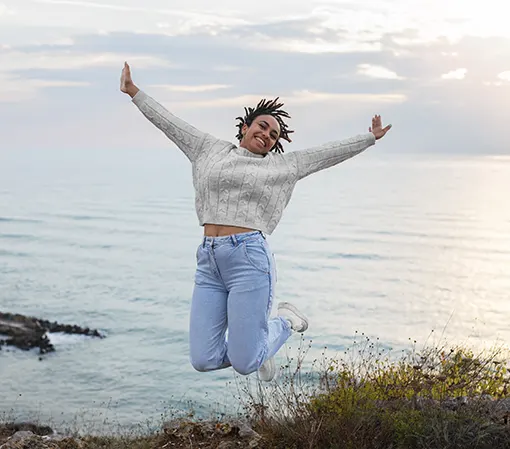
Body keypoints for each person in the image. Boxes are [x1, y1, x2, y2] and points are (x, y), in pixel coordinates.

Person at [120, 62, 392, 382]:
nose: (266, 134)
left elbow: (326, 153)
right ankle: (261, 347)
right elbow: (171, 123)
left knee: (245, 363)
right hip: (208, 260)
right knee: (203, 359)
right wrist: (134, 92)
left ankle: (285, 322)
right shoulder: (209, 149)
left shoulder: (283, 167)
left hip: (249, 258)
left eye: (273, 134)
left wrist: (369, 138)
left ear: (276, 144)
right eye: (262, 126)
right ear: (245, 127)